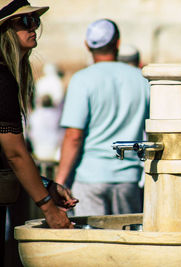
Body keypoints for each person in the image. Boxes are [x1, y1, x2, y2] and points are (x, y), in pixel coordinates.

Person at [55, 19, 150, 216]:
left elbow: (74, 135)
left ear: (87, 45)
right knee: (127, 241)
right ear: (118, 42)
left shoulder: (82, 79)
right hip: (129, 177)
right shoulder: (142, 80)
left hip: (89, 178)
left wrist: (60, 182)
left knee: (92, 242)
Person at [0, 0, 77, 234]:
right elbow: (14, 153)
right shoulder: (2, 78)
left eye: (35, 21)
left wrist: (47, 185)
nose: (32, 27)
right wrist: (48, 208)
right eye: (24, 22)